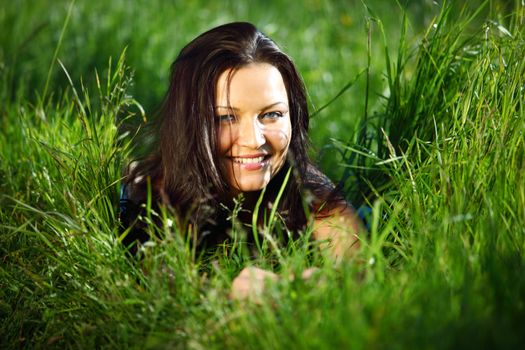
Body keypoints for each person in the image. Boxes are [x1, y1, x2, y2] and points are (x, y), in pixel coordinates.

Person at [119, 22, 362, 300]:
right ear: (188, 124)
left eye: (271, 115)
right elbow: (150, 287)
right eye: (226, 118)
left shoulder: (307, 191)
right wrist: (227, 294)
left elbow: (362, 272)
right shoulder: (151, 197)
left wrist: (319, 287)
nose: (254, 140)